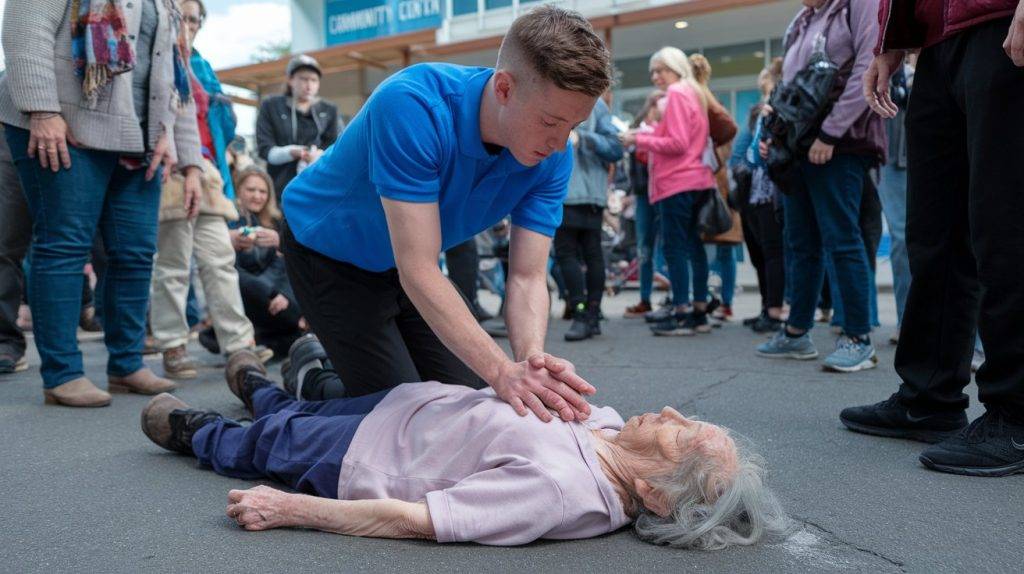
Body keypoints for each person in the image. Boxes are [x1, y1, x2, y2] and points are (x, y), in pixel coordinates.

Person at [280, 6, 610, 420]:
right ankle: (309, 374)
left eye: (573, 127)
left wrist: (530, 364)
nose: (560, 144)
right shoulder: (412, 104)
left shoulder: (554, 156)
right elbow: (417, 268)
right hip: (327, 250)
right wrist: (500, 371)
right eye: (550, 122)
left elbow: (526, 276)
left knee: (471, 404)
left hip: (408, 264)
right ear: (504, 89)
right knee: (402, 415)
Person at [139, 350, 791, 548]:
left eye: (681, 432)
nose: (672, 412)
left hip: (364, 458)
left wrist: (290, 509)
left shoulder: (557, 493)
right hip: (401, 407)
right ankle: (256, 384)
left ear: (652, 491)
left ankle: (194, 430)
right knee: (299, 411)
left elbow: (423, 520)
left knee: (267, 442)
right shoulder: (611, 426)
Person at [841, 0, 1024, 477]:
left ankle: (1018, 413)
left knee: (1006, 223)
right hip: (936, 43)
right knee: (933, 233)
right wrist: (891, 40)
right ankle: (929, 397)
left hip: (1000, 21)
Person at [0, 0, 204, 406]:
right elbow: (25, 28)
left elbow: (175, 73)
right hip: (66, 123)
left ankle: (126, 365)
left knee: (135, 253)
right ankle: (62, 374)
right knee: (64, 245)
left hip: (140, 137)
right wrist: (42, 110)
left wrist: (189, 160)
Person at [755, 0, 885, 373]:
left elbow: (867, 67)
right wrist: (773, 134)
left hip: (840, 143)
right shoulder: (802, 19)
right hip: (799, 145)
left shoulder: (857, 5)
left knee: (843, 239)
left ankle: (858, 338)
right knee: (800, 242)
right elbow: (789, 85)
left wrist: (831, 132)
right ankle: (796, 332)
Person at [150, 0, 271, 380]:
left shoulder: (201, 66)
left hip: (210, 172)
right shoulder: (156, 55)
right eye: (181, 17)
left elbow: (221, 125)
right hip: (170, 167)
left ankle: (239, 345)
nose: (188, 25)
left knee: (220, 260)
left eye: (194, 19)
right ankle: (172, 345)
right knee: (172, 263)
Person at [620, 47, 716, 337]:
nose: (655, 76)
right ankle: (698, 311)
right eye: (653, 70)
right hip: (697, 178)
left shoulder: (675, 94)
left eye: (661, 69)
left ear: (675, 67)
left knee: (675, 250)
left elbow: (676, 143)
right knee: (694, 247)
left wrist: (638, 140)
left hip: (676, 182)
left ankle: (681, 311)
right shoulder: (694, 92)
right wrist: (642, 135)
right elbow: (680, 138)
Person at [555, 96, 623, 342]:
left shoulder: (596, 105)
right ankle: (587, 313)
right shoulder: (596, 104)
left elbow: (615, 148)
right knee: (580, 253)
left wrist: (582, 138)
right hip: (570, 191)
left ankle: (585, 314)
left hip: (580, 192)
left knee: (575, 253)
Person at [228, 166, 305, 358]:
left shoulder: (276, 222)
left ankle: (279, 340)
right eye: (251, 190)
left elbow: (288, 264)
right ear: (239, 190)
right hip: (252, 295)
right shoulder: (229, 224)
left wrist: (280, 242)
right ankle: (300, 332)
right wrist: (270, 293)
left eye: (262, 191)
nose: (257, 196)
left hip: (278, 294)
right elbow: (234, 272)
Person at [689, 54, 739, 322]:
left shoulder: (697, 97)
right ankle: (724, 302)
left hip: (707, 180)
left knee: (702, 245)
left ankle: (701, 298)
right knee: (724, 247)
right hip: (718, 180)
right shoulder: (709, 97)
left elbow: (728, 132)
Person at [256, 55, 341, 201]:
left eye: (314, 80)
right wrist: (291, 152)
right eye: (303, 78)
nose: (309, 85)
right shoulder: (270, 106)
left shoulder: (329, 110)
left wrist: (319, 155)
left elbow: (337, 147)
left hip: (319, 186)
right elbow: (265, 149)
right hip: (280, 188)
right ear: (290, 80)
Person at [622, 90, 666, 319]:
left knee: (669, 246)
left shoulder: (665, 125)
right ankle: (645, 299)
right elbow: (629, 138)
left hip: (665, 190)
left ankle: (675, 298)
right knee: (644, 249)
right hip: (643, 194)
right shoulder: (639, 128)